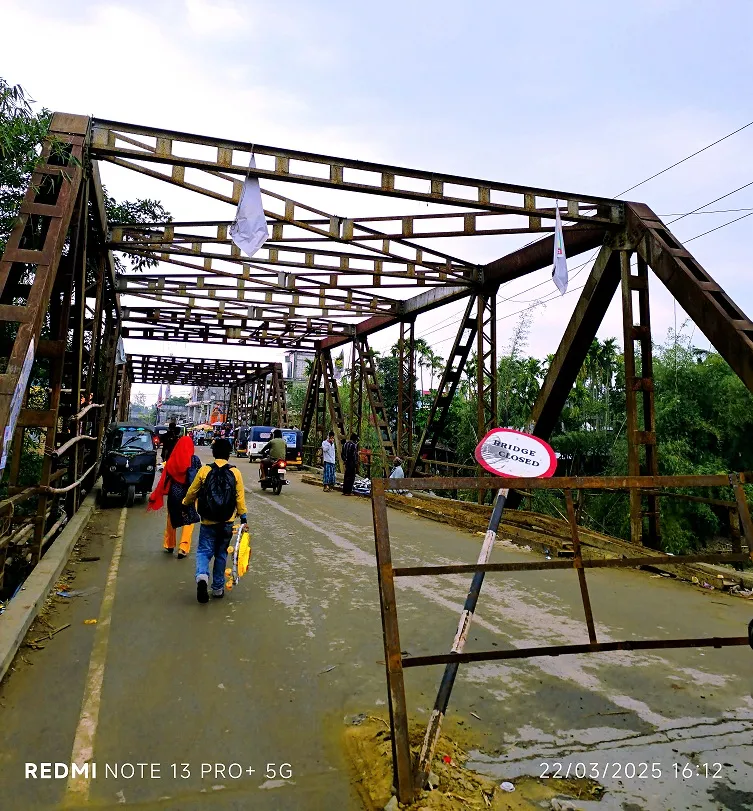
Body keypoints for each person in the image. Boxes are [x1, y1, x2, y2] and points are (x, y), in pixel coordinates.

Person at [182, 438, 248, 603]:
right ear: (228, 453)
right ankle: (218, 588)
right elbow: (240, 498)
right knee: (221, 553)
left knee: (204, 551)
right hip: (227, 521)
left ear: (213, 453)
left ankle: (202, 576)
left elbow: (192, 491)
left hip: (208, 521)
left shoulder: (204, 470)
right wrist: (244, 517)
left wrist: (185, 503)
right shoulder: (235, 472)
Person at [147, 435, 201, 558]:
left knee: (172, 518)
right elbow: (200, 477)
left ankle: (169, 544)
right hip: (189, 493)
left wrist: (158, 492)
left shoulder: (172, 460)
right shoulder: (195, 460)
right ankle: (183, 547)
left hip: (175, 492)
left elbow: (164, 477)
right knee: (189, 519)